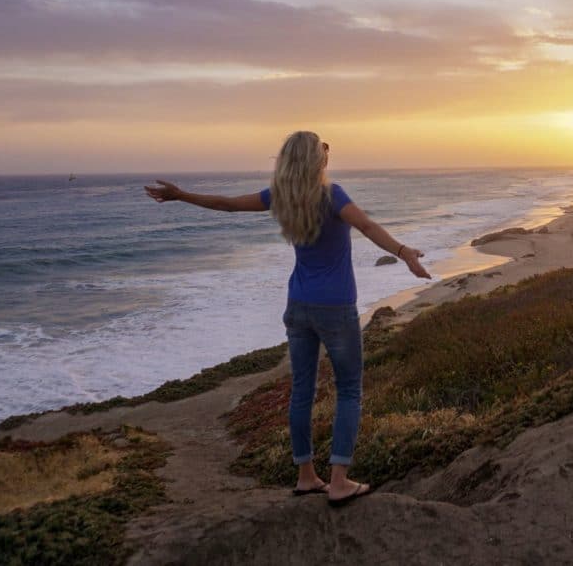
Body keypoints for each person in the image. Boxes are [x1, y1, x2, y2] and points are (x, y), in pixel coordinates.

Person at [145, 130, 430, 507]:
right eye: (324, 149)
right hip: (335, 307)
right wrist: (404, 251)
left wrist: (182, 196)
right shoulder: (332, 195)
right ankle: (340, 480)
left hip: (298, 307)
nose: (328, 154)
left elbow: (226, 205)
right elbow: (367, 226)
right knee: (347, 390)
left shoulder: (280, 196)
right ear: (316, 160)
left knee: (302, 391)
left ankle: (306, 476)